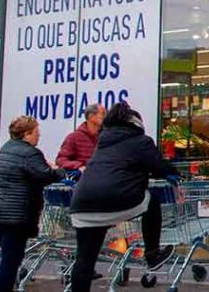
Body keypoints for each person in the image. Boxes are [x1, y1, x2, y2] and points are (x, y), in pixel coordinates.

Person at [69, 102, 178, 292]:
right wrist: (174, 174)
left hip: (82, 203)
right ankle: (152, 254)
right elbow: (160, 167)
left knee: (85, 259)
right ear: (137, 123)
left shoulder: (103, 142)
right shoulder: (141, 141)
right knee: (151, 200)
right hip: (116, 199)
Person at [0, 116, 66, 292]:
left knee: (9, 258)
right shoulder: (29, 153)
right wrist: (60, 171)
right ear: (27, 134)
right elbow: (45, 175)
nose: (39, 136)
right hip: (15, 216)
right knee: (11, 261)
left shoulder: (5, 150)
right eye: (37, 133)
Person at [56, 104, 106, 170]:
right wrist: (79, 166)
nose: (105, 116)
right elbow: (60, 160)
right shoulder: (73, 138)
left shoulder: (106, 137)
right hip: (83, 177)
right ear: (91, 116)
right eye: (103, 113)